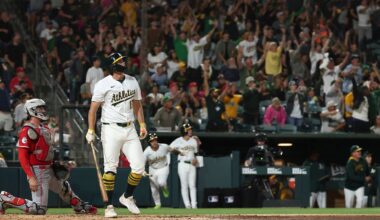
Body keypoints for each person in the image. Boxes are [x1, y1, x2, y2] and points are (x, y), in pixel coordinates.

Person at [0, 98, 96, 215]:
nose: (43, 110)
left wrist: (57, 163)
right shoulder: (27, 130)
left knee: (64, 188)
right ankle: (5, 198)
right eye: (40, 108)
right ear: (32, 110)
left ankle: (79, 206)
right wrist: (31, 177)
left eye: (43, 108)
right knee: (39, 209)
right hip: (37, 171)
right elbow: (22, 156)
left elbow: (46, 150)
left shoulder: (44, 128)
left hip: (49, 167)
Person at [86, 52, 147, 217]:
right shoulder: (102, 84)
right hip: (110, 129)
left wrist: (142, 124)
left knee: (139, 167)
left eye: (124, 60)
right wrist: (91, 129)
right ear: (113, 65)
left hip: (130, 128)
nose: (124, 63)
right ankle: (109, 206)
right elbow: (93, 110)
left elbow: (137, 105)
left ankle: (127, 197)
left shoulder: (132, 81)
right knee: (110, 168)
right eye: (120, 61)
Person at [143, 132, 179, 209]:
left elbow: (172, 150)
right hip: (152, 169)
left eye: (155, 140)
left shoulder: (164, 146)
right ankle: (158, 204)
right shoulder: (147, 151)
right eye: (152, 141)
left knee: (161, 182)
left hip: (163, 167)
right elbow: (142, 162)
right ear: (149, 142)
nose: (154, 142)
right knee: (154, 188)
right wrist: (143, 170)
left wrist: (179, 152)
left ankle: (164, 187)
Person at [170, 123, 200, 209]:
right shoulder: (178, 140)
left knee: (192, 185)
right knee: (184, 185)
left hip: (191, 164)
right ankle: (187, 205)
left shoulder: (193, 140)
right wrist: (178, 152)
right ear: (184, 131)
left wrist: (195, 159)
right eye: (189, 129)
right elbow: (170, 148)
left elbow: (195, 153)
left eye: (190, 129)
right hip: (182, 164)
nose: (190, 131)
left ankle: (194, 205)